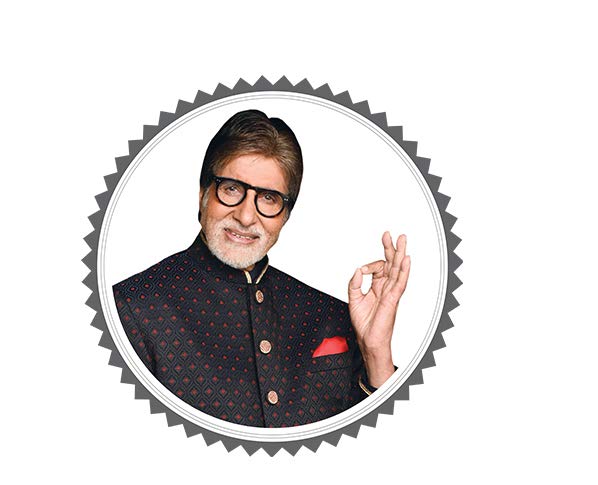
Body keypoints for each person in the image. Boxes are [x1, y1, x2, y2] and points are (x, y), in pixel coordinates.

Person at [112, 109, 411, 429]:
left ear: (285, 215)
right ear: (202, 194)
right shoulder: (130, 309)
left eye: (268, 198)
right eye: (231, 189)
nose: (245, 216)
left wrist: (377, 353)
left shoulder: (331, 315)